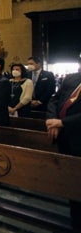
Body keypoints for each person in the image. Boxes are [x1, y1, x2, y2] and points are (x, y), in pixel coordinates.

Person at [45, 59, 81, 231]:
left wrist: (63, 122)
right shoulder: (72, 78)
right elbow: (54, 99)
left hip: (76, 134)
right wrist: (52, 120)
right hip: (64, 137)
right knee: (72, 181)